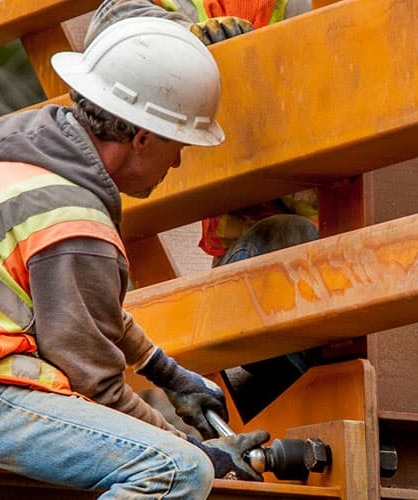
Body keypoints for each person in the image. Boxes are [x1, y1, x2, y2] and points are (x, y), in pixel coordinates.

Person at [0, 16, 268, 499]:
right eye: (176, 145)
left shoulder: (10, 145)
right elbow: (98, 386)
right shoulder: (73, 219)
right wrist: (194, 448)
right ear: (141, 139)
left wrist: (165, 372)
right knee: (177, 471)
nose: (178, 162)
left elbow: (79, 305)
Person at [87, 0, 325, 426]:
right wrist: (181, 39)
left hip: (327, 214)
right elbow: (110, 26)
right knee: (279, 249)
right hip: (259, 241)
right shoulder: (182, 5)